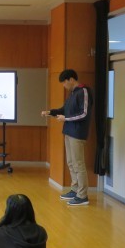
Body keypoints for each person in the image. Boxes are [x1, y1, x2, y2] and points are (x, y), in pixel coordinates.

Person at [41, 69, 93, 206]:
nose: (64, 86)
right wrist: (50, 112)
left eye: (64, 82)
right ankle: (75, 190)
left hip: (78, 133)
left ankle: (82, 195)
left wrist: (66, 118)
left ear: (71, 79)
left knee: (78, 164)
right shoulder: (72, 93)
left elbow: (84, 114)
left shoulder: (83, 91)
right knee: (71, 162)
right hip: (69, 132)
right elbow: (64, 110)